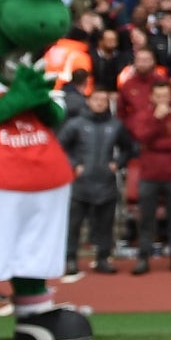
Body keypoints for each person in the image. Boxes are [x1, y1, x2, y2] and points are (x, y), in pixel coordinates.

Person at [57, 85, 134, 275]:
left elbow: (128, 148)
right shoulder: (76, 124)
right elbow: (60, 146)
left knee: (105, 224)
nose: (99, 103)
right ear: (89, 101)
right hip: (81, 182)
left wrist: (118, 163)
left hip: (105, 181)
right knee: (74, 224)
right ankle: (70, 259)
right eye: (96, 99)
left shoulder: (115, 125)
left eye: (103, 100)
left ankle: (103, 258)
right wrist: (75, 164)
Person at [130, 83, 171, 274]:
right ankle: (143, 259)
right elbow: (141, 136)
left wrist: (154, 144)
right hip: (149, 176)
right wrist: (157, 120)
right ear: (151, 97)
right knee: (146, 220)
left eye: (165, 95)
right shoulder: (144, 117)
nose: (162, 99)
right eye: (158, 96)